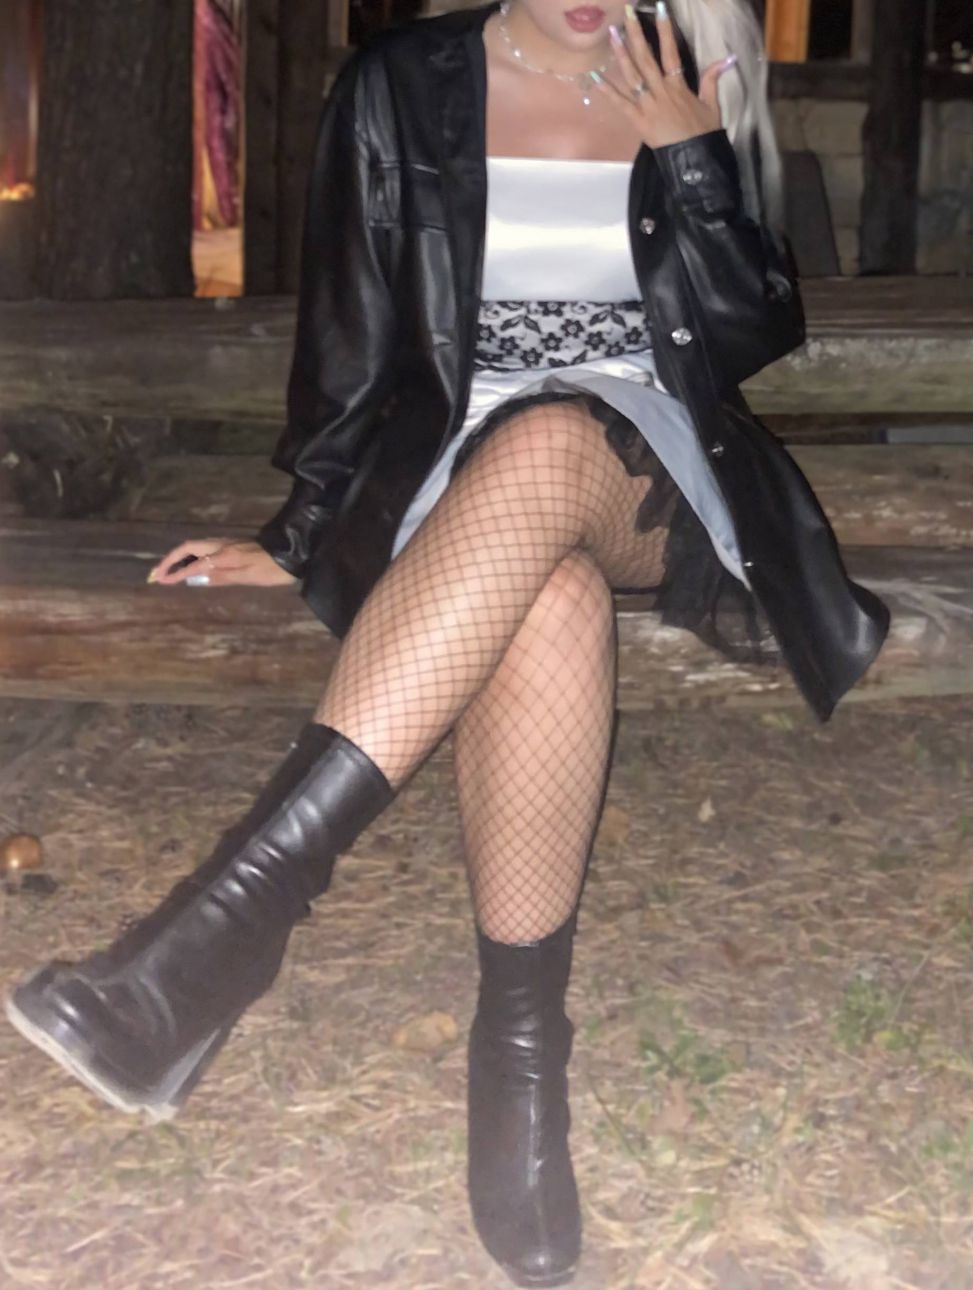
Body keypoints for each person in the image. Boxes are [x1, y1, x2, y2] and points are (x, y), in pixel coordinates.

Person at [6, 1, 889, 1284]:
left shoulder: (682, 67)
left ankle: (214, 942)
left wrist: (691, 155)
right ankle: (519, 1067)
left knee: (552, 435)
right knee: (550, 599)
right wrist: (300, 535)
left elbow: (756, 329)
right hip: (455, 479)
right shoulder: (398, 85)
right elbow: (352, 334)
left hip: (648, 470)